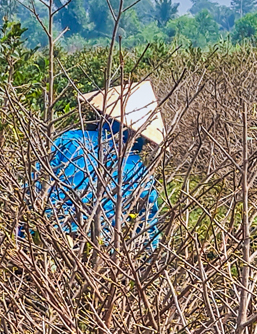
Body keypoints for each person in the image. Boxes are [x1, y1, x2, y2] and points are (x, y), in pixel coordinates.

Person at [38, 81, 164, 250]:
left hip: (51, 235)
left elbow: (38, 185)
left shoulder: (69, 140)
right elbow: (147, 226)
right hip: (103, 249)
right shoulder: (139, 171)